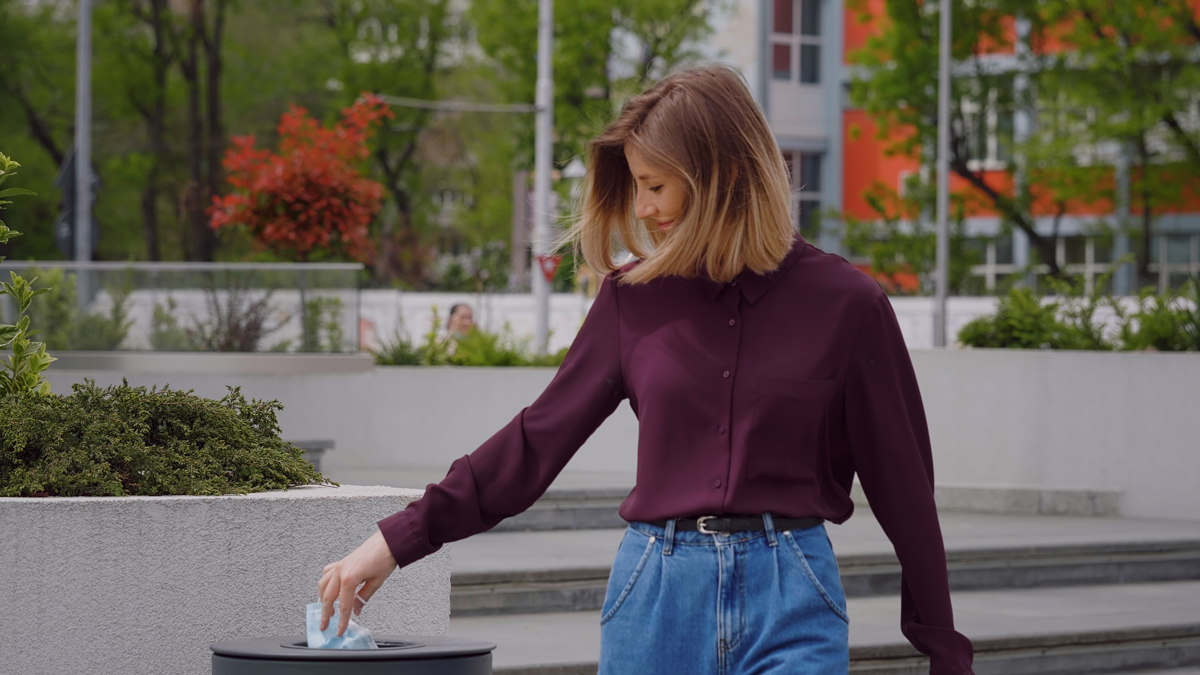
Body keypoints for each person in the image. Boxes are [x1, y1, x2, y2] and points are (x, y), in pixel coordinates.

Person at [318, 65, 975, 674]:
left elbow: (904, 488)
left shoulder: (848, 305)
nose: (641, 207)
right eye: (635, 185)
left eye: (654, 185)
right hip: (656, 596)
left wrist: (945, 651)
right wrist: (396, 539)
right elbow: (535, 440)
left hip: (793, 592)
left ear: (719, 178)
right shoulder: (632, 301)